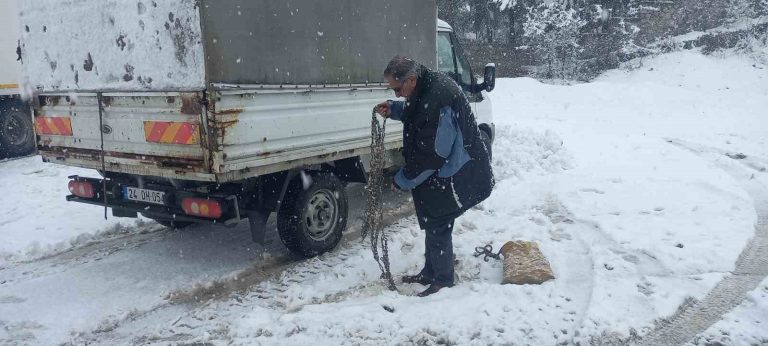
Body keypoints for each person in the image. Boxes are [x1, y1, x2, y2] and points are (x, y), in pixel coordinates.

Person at [375, 56, 494, 297]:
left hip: (457, 169)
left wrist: (403, 179)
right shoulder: (425, 85)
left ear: (411, 79)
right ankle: (431, 271)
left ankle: (442, 280)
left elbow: (433, 155)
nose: (397, 95)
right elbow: (420, 110)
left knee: (439, 220)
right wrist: (396, 110)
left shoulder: (438, 97)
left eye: (397, 90)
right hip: (446, 167)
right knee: (433, 219)